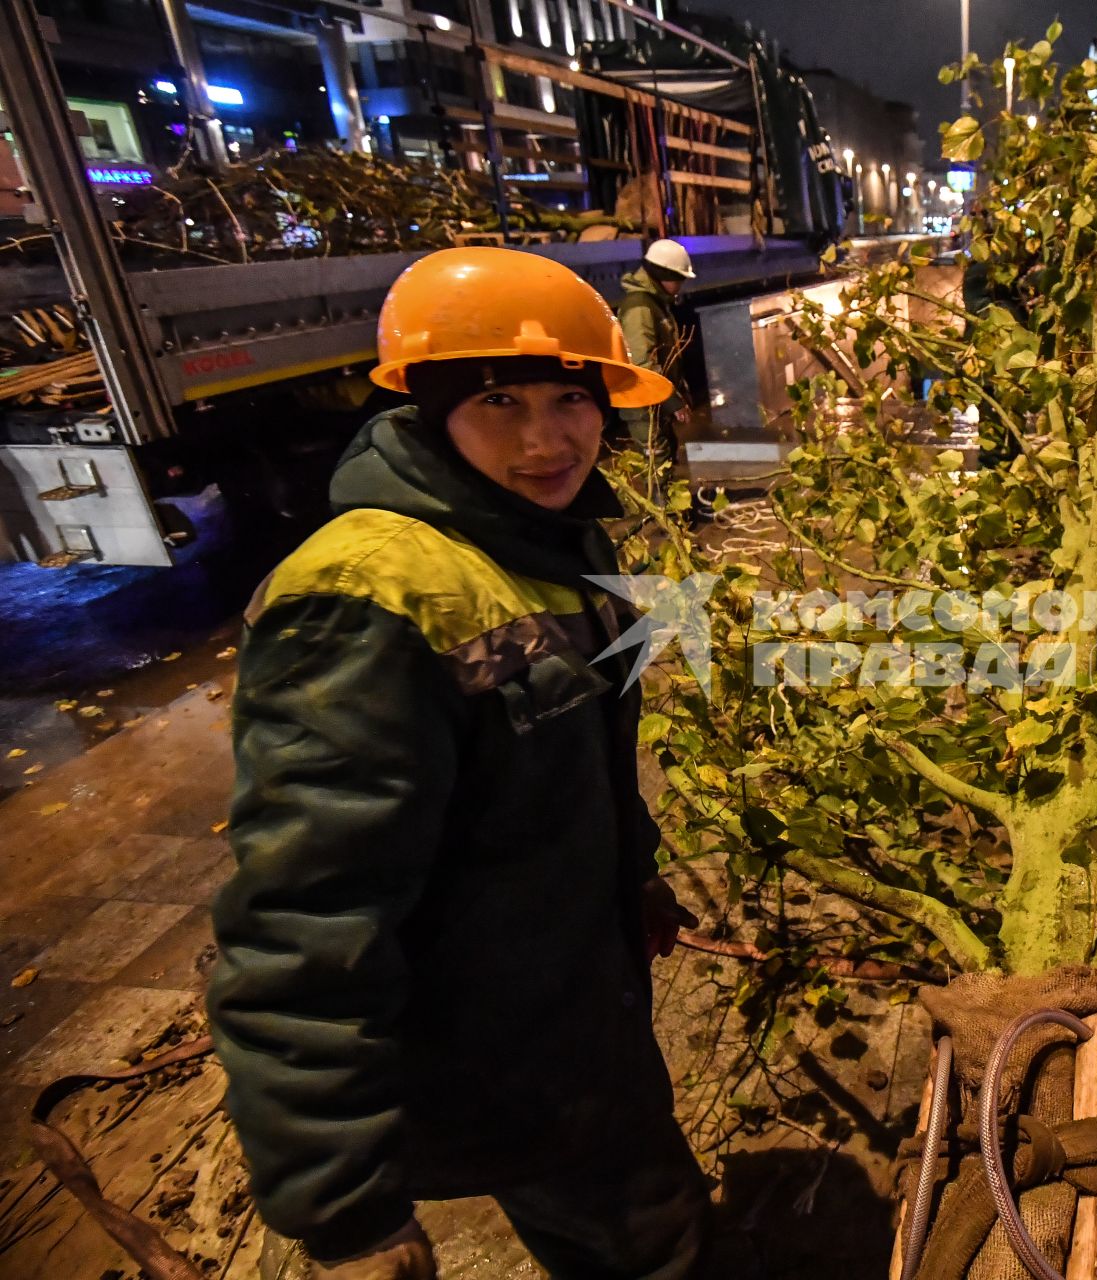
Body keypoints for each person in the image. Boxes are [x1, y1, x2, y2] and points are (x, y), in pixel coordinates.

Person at [207, 247, 708, 1280]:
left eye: (572, 397)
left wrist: (631, 878)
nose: (547, 437)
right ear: (431, 412)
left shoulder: (534, 542)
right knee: (652, 1244)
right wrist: (344, 1207)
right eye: (499, 400)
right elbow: (305, 917)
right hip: (500, 1059)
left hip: (563, 1017)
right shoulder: (367, 596)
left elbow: (568, 768)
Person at [616, 238, 697, 463]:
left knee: (667, 457)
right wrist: (673, 401)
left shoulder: (654, 303)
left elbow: (666, 354)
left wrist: (679, 391)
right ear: (663, 275)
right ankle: (661, 500)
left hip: (656, 403)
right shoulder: (639, 308)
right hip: (645, 408)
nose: (680, 285)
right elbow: (643, 364)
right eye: (678, 279)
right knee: (658, 467)